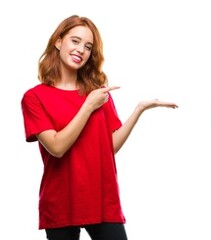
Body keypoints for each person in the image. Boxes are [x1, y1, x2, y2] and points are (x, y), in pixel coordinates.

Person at [21, 15, 177, 240]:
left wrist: (139, 110)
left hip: (102, 199)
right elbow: (56, 147)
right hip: (61, 201)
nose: (81, 50)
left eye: (87, 46)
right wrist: (87, 106)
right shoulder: (35, 97)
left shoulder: (99, 94)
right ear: (58, 41)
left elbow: (109, 147)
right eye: (75, 41)